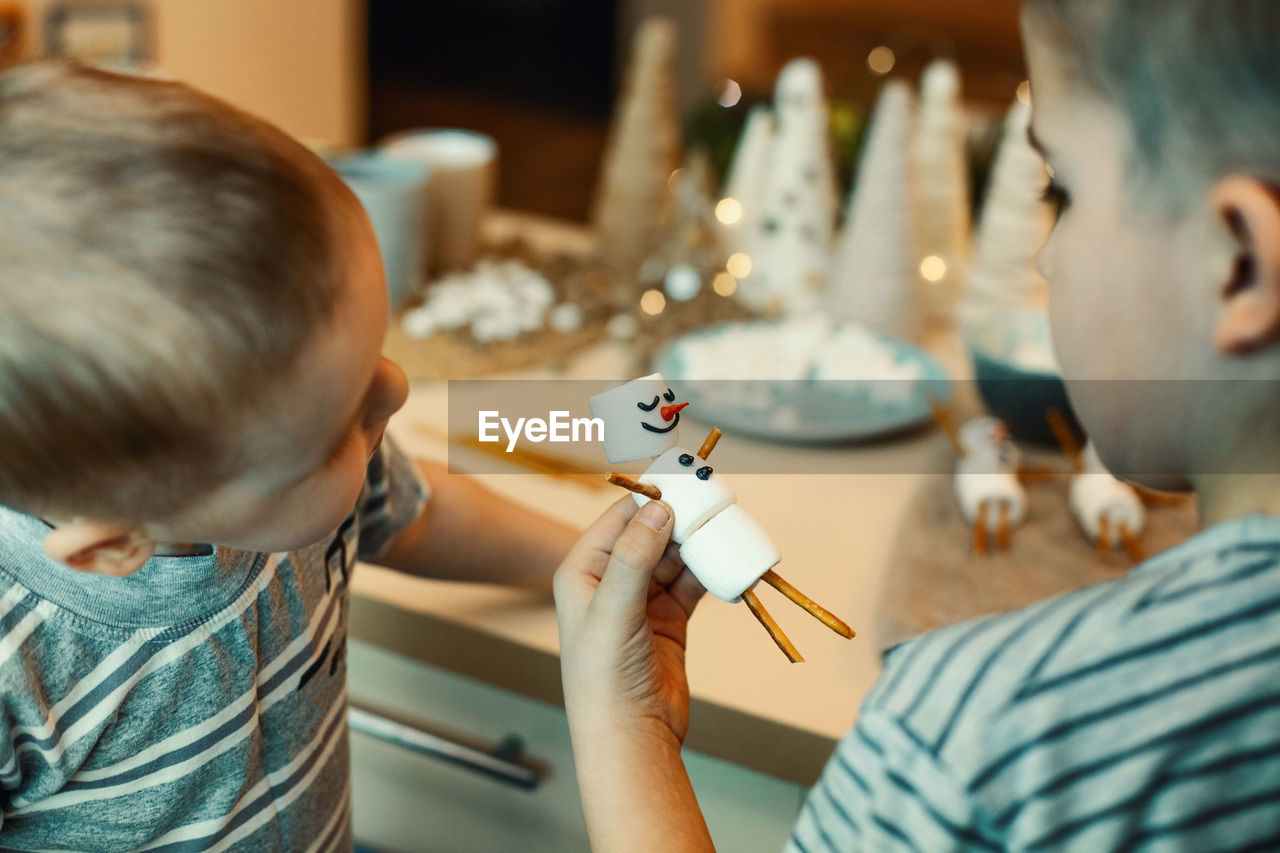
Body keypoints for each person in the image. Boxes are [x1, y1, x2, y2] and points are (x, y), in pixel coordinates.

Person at [554, 1, 1280, 849]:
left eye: (1063, 191)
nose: (1043, 255)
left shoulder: (969, 736)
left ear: (1240, 266)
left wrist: (620, 719)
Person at [0, 61, 576, 848]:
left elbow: (415, 515)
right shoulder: (20, 660)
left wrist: (582, 562)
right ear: (115, 545)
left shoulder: (281, 458)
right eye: (340, 423)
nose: (396, 393)